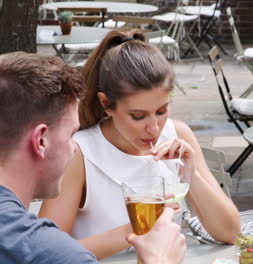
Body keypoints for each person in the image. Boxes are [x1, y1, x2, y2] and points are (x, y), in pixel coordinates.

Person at [39, 29, 240, 260]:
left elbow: (230, 233)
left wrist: (191, 175)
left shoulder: (178, 136)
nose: (154, 128)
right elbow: (48, 254)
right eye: (138, 116)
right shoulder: (80, 153)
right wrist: (137, 227)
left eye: (162, 111)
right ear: (106, 103)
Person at [0, 52, 185, 264]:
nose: (75, 148)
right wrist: (161, 259)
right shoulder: (47, 252)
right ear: (41, 141)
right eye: (71, 134)